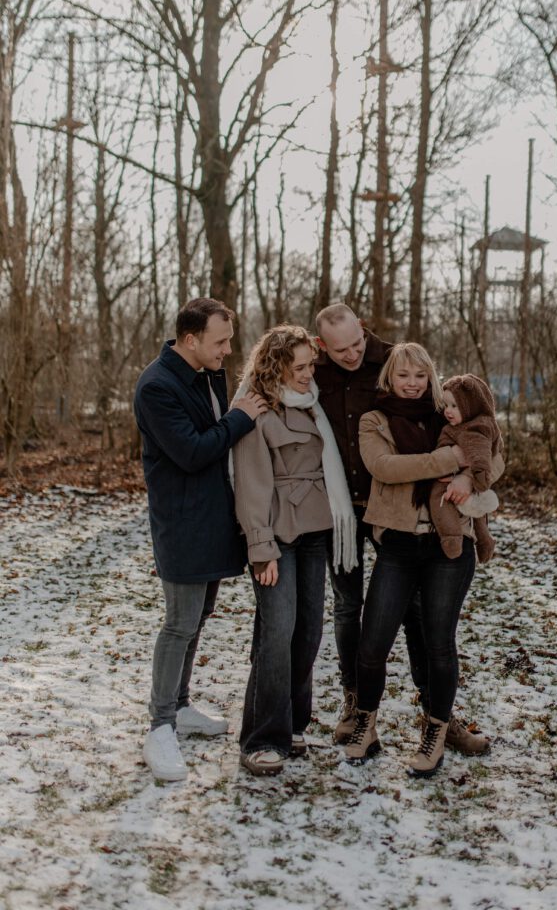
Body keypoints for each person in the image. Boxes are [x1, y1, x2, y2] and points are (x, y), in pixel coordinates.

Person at [345, 343, 503, 778]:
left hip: (447, 548)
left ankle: (435, 731)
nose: (412, 384)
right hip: (397, 544)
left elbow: (496, 455)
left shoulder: (450, 412)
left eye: (419, 375)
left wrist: (470, 476)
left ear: (430, 377)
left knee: (439, 643)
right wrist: (449, 460)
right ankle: (366, 725)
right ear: (389, 378)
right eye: (403, 375)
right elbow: (385, 467)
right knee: (373, 640)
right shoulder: (374, 420)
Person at [134, 297, 267, 782]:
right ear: (190, 339)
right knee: (179, 623)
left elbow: (214, 438)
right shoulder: (156, 387)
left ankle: (182, 705)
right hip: (182, 522)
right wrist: (241, 417)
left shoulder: (208, 373)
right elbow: (192, 451)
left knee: (199, 619)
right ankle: (160, 726)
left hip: (214, 517)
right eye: (220, 341)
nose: (228, 351)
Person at [233, 325, 357, 777]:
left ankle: (293, 723)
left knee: (309, 630)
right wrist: (260, 548)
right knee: (277, 631)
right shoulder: (256, 410)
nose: (309, 374)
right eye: (299, 367)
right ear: (277, 366)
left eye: (311, 365)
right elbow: (250, 485)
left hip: (315, 531)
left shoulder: (314, 406)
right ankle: (262, 737)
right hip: (276, 534)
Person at [314, 304, 430, 743]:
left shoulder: (393, 362)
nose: (351, 355)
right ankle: (355, 700)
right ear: (323, 344)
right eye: (340, 349)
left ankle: (432, 702)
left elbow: (434, 407)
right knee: (347, 606)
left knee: (412, 606)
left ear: (363, 329)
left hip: (390, 506)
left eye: (356, 344)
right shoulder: (314, 369)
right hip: (338, 512)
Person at [429, 373, 504, 564]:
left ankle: (452, 537)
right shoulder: (469, 424)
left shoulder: (472, 429)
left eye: (455, 406)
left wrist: (475, 478)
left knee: (438, 499)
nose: (448, 411)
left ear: (471, 406)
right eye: (446, 405)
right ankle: (485, 541)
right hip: (460, 477)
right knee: (477, 513)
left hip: (451, 479)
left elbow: (480, 454)